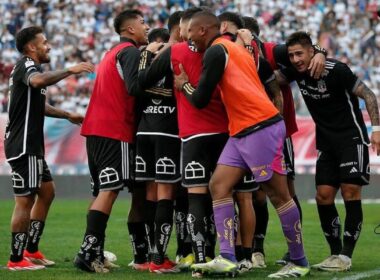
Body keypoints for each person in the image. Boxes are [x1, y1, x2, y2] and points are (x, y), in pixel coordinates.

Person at [174, 11, 310, 278]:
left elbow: (200, 99)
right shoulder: (234, 48)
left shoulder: (216, 51)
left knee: (278, 195)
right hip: (243, 129)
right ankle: (227, 257)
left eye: (190, 33)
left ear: (203, 30)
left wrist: (184, 85)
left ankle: (300, 261)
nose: (187, 39)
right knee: (219, 185)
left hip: (258, 127)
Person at [275, 31, 380, 272]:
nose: (295, 59)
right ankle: (334, 253)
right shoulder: (295, 70)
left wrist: (377, 130)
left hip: (351, 138)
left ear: (311, 51)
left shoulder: (337, 70)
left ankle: (345, 255)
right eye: (291, 55)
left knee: (350, 191)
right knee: (323, 196)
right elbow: (271, 78)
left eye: (299, 53)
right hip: (325, 142)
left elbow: (369, 94)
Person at [138, 7, 228, 277]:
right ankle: (232, 256)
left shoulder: (175, 52)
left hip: (192, 133)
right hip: (225, 132)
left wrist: (149, 54)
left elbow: (141, 81)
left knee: (196, 197)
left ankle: (200, 261)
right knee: (225, 197)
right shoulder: (224, 49)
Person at [5, 26, 94, 271]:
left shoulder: (31, 69)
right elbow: (38, 81)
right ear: (31, 47)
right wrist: (70, 70)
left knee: (47, 192)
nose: (49, 46)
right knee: (25, 200)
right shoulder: (27, 66)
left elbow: (39, 105)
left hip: (31, 144)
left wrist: (67, 115)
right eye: (44, 42)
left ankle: (31, 250)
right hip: (23, 145)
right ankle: (16, 259)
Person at [242, 15, 327, 267]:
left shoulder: (272, 51)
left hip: (278, 133)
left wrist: (320, 51)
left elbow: (304, 52)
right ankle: (256, 250)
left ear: (252, 36)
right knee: (253, 195)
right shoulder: (232, 54)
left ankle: (295, 251)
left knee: (284, 193)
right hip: (244, 133)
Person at [73, 9, 150, 273]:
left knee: (99, 192)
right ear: (130, 29)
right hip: (114, 131)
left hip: (94, 130)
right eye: (142, 23)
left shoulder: (110, 53)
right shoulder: (130, 52)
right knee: (110, 190)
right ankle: (86, 254)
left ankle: (94, 252)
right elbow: (134, 87)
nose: (147, 27)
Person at [135, 25, 181, 273]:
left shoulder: (145, 61)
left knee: (150, 194)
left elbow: (137, 88)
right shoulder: (175, 57)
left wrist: (145, 53)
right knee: (165, 193)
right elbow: (178, 92)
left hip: (144, 131)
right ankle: (159, 258)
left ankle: (152, 255)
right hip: (166, 132)